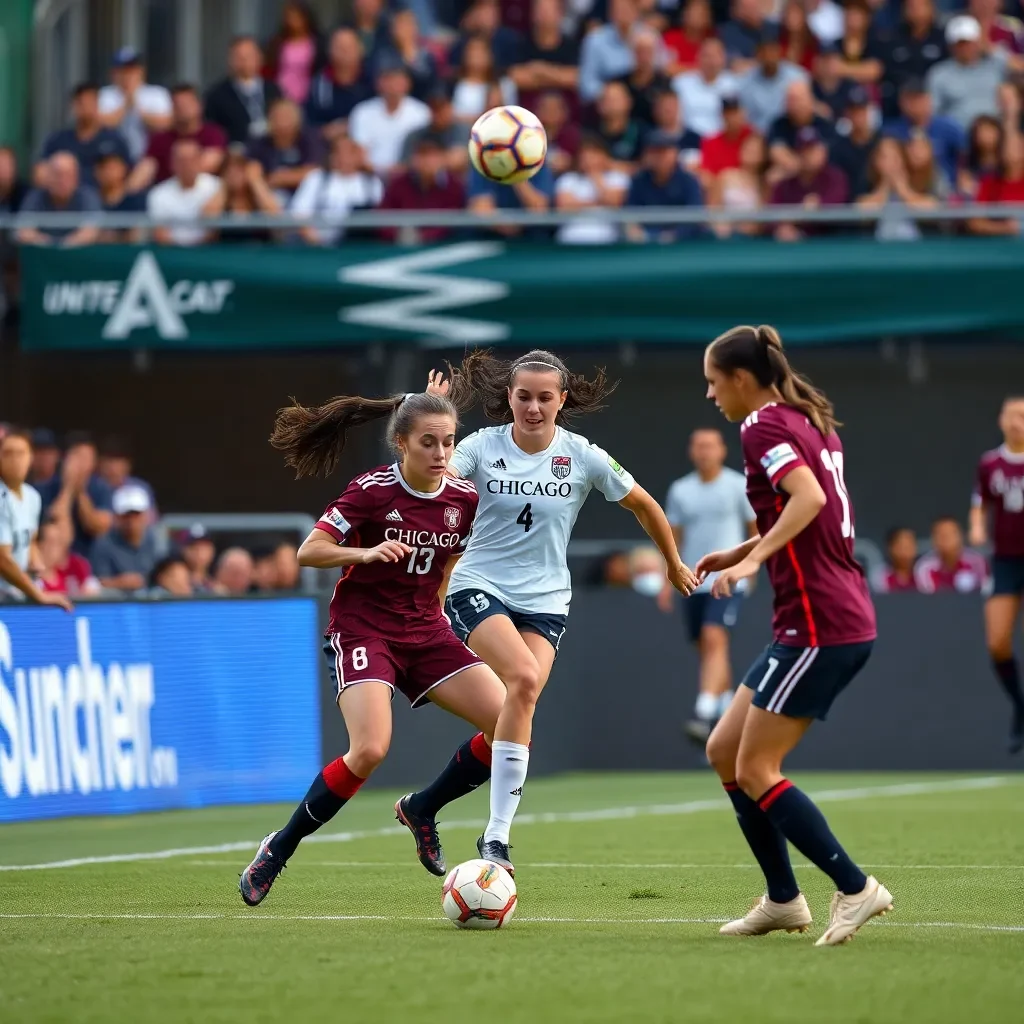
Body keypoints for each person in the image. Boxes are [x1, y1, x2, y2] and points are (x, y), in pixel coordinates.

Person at [407, 352, 698, 874]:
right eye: (524, 396)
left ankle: (423, 805)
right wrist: (436, 430)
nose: (534, 407)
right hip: (479, 585)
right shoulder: (480, 446)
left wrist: (673, 564)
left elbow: (647, 505)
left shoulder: (582, 456)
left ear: (562, 400)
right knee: (521, 679)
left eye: (545, 397)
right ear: (510, 399)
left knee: (512, 715)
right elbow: (430, 483)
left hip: (545, 602)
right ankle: (496, 838)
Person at [239, 390, 508, 902]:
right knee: (369, 749)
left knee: (511, 724)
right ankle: (279, 847)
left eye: (448, 442)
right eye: (427, 442)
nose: (440, 453)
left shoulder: (464, 500)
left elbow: (451, 565)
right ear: (401, 444)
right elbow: (308, 551)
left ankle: (422, 807)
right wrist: (365, 552)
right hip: (364, 629)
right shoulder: (371, 491)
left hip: (426, 630)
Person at [700, 323, 891, 945]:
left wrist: (755, 563)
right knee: (725, 751)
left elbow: (805, 499)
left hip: (820, 624)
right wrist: (743, 549)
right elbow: (808, 512)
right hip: (818, 618)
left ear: (740, 380)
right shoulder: (803, 419)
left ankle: (856, 888)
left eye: (713, 383)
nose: (711, 396)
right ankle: (784, 900)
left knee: (757, 766)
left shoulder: (761, 425)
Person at [661, 428, 757, 743]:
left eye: (710, 446)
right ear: (692, 452)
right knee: (709, 649)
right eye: (698, 446)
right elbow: (674, 537)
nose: (704, 452)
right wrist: (667, 580)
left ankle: (702, 715)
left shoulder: (738, 486)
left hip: (727, 579)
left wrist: (747, 567)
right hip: (693, 581)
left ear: (721, 450)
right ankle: (729, 711)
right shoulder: (680, 490)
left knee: (713, 637)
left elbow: (754, 528)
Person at [970, 396, 1024, 752]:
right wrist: (976, 529)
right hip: (1006, 561)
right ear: (1001, 420)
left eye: (1022, 416)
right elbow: (980, 505)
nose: (1016, 421)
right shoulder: (990, 464)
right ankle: (1020, 706)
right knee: (997, 641)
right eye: (1011, 415)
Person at [0, 429, 72, 610]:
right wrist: (38, 594)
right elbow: (3, 560)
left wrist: (35, 559)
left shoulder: (33, 497)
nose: (15, 460)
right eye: (8, 453)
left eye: (21, 453)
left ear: (31, 458)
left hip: (15, 593)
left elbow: (29, 540)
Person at [36, 82, 132, 190]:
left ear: (97, 105)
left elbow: (129, 174)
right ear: (73, 106)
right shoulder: (58, 140)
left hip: (104, 200)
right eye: (81, 103)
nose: (86, 108)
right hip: (66, 201)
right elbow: (40, 173)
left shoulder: (114, 139)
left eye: (90, 103)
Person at [35, 430, 113, 559]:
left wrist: (81, 492)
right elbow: (54, 523)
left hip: (89, 560)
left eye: (87, 458)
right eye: (77, 457)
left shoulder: (101, 488)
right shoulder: (45, 487)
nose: (81, 464)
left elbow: (98, 527)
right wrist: (68, 488)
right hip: (55, 560)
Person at [98, 47, 173, 163]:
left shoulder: (157, 93)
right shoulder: (104, 95)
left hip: (148, 158)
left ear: (141, 71)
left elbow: (165, 125)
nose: (127, 75)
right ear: (113, 73)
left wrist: (137, 105)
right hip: (111, 160)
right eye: (122, 71)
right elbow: (102, 124)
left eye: (131, 70)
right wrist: (126, 103)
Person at [205, 36, 282, 144]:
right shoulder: (217, 96)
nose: (244, 61)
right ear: (230, 60)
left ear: (260, 58)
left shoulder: (273, 90)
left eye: (249, 56)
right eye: (239, 57)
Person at [16, 152, 101, 248]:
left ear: (76, 177)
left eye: (68, 175)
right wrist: (48, 244)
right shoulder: (35, 196)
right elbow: (24, 231)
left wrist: (64, 246)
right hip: (43, 257)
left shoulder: (87, 196)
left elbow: (90, 232)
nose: (62, 180)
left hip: (80, 257)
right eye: (57, 174)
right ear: (48, 176)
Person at [90, 484, 159, 594]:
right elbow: (95, 583)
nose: (131, 521)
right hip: (117, 604)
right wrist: (119, 582)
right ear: (116, 517)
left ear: (146, 515)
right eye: (126, 515)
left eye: (136, 514)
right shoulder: (104, 544)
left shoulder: (155, 540)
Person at [264, 0, 324, 106]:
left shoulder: (317, 43)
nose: (292, 21)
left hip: (307, 95)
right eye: (289, 17)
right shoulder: (277, 42)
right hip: (280, 94)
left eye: (296, 17)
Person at [913, 516, 988, 593]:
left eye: (950, 534)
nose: (946, 538)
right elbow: (925, 600)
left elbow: (984, 592)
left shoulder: (977, 562)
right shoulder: (924, 567)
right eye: (941, 535)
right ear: (933, 539)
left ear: (960, 536)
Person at [872, 526, 920, 593]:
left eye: (909, 547)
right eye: (901, 547)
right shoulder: (880, 576)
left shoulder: (923, 574)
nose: (905, 552)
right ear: (890, 548)